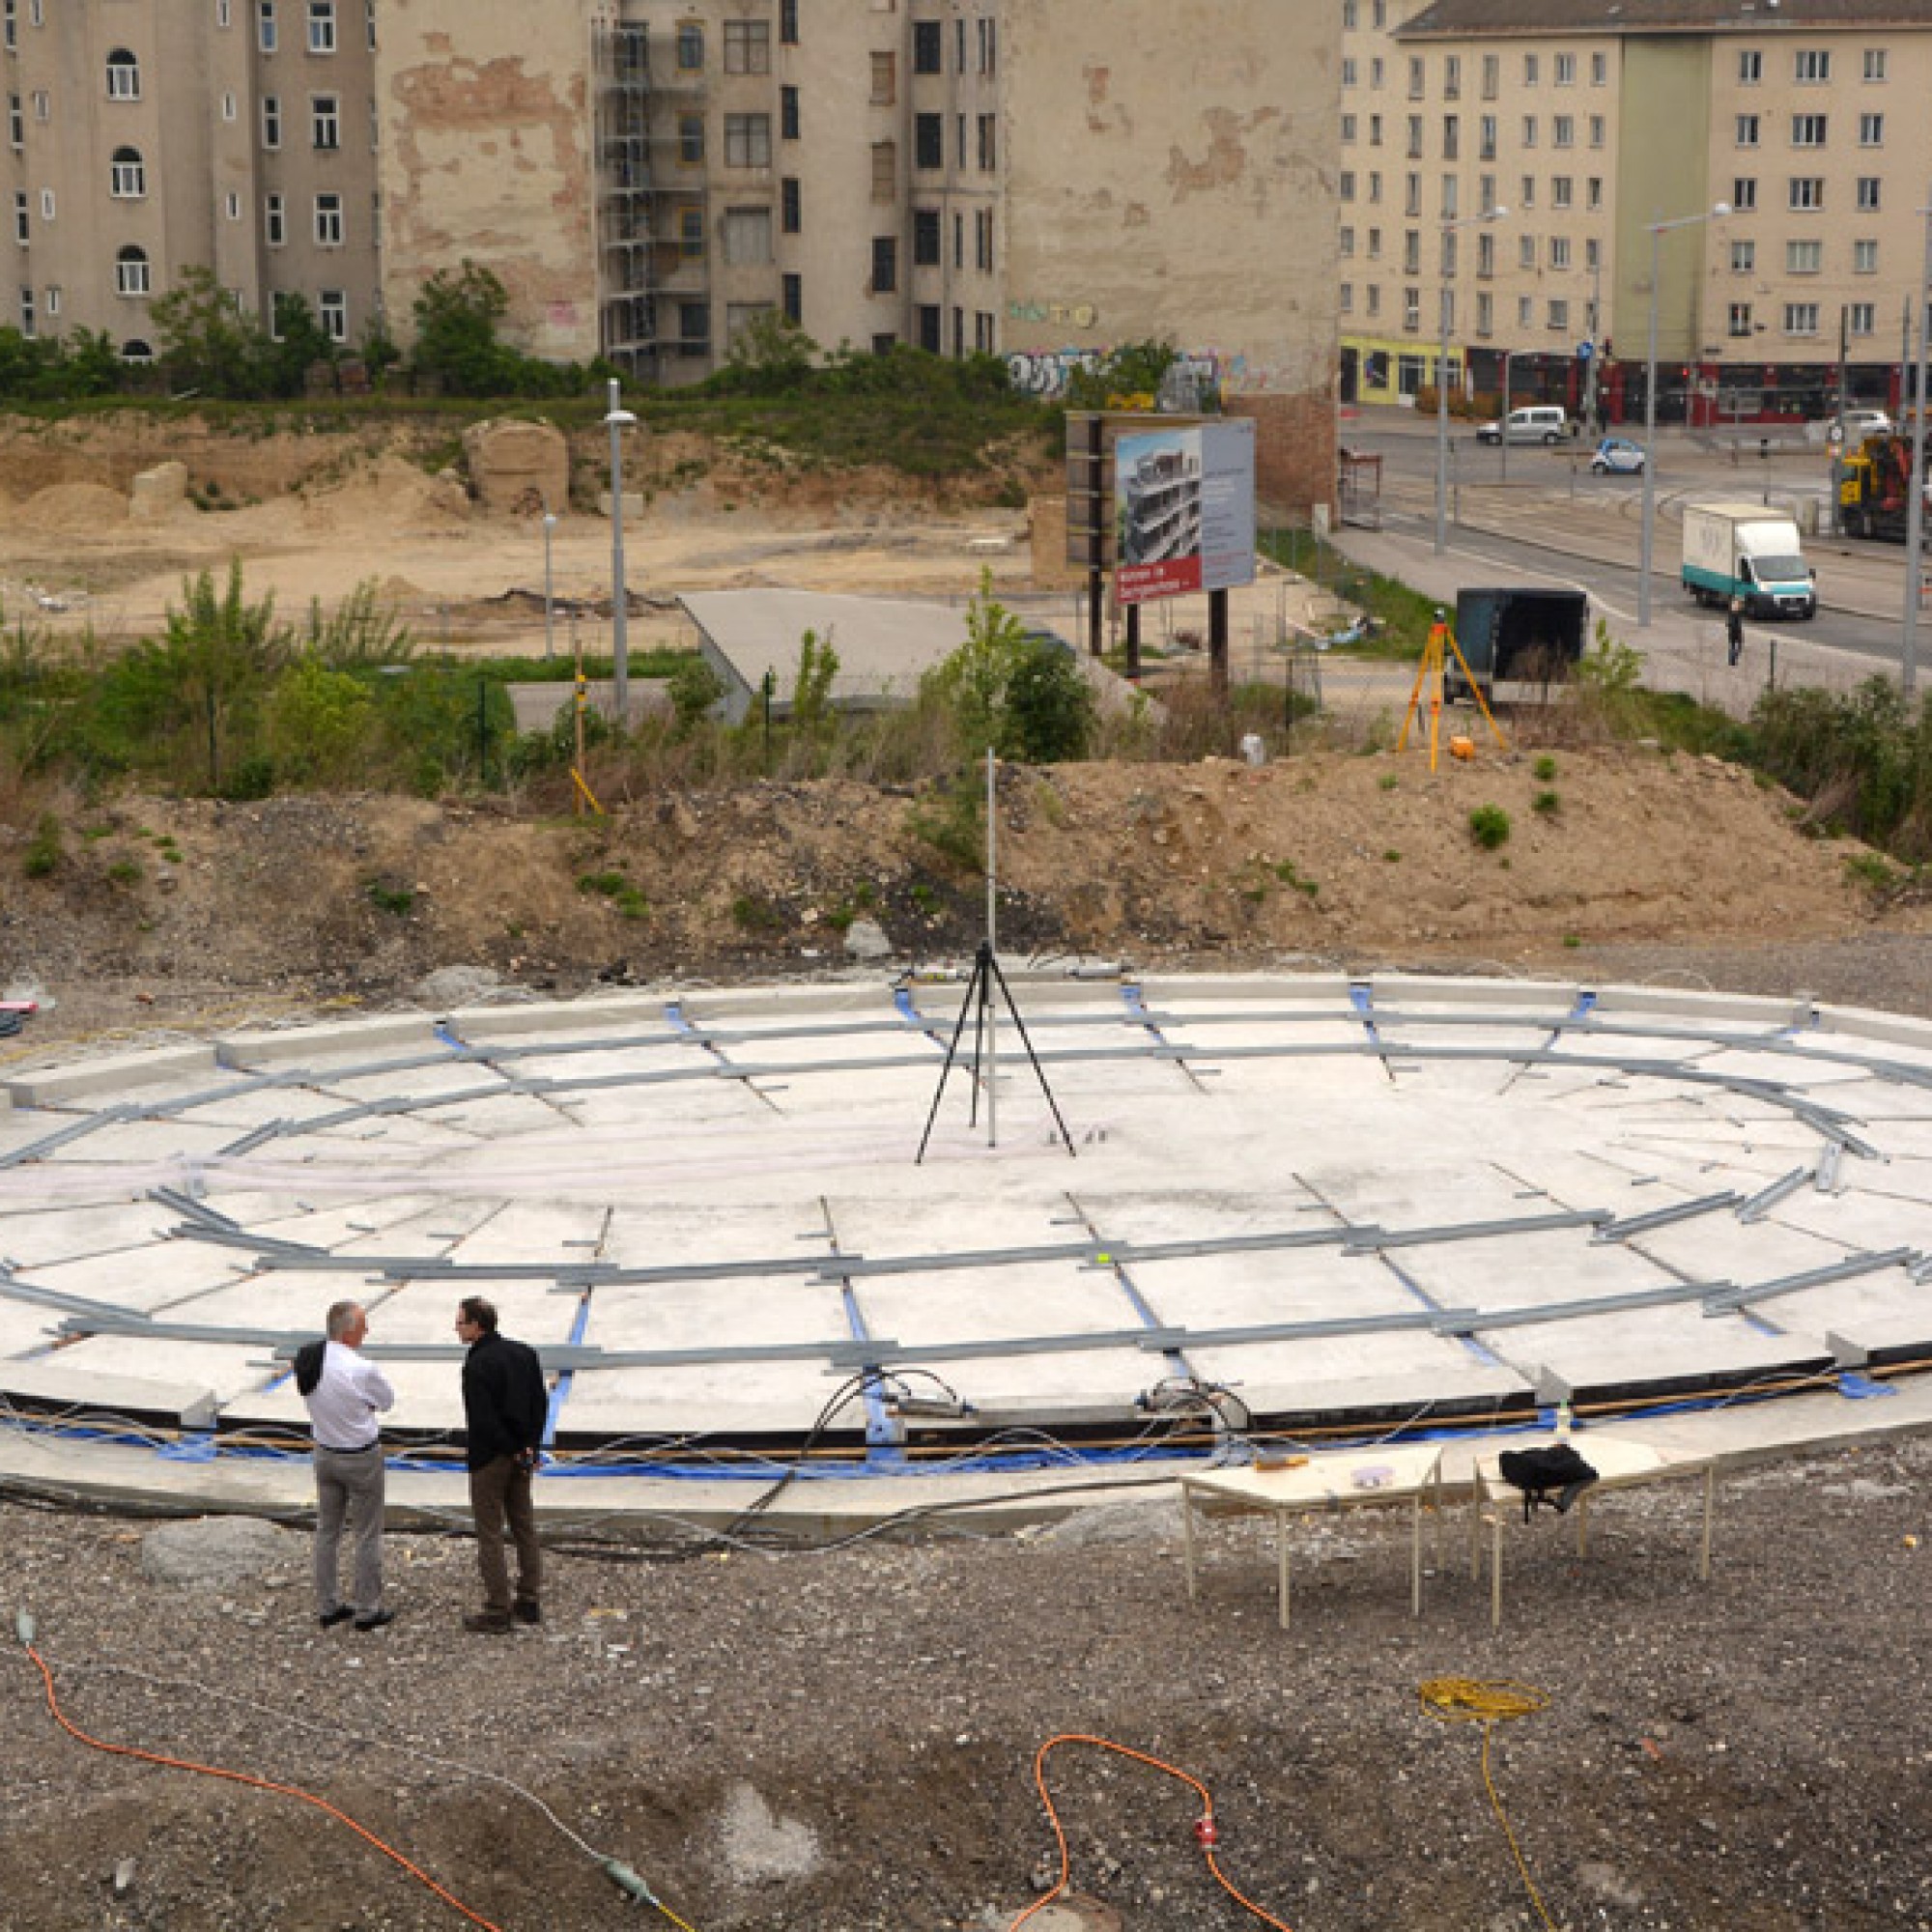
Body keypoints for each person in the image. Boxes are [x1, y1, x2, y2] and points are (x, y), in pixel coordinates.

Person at [295, 1300, 396, 1633]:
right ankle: (367, 1608)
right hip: (360, 1457)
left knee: (327, 1531)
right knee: (367, 1534)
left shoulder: (308, 1359)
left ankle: (328, 1604)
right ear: (350, 1330)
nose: (366, 1333)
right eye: (363, 1327)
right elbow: (386, 1401)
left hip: (325, 1453)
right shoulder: (361, 1369)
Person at [454, 1295, 549, 1634]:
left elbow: (483, 1420)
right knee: (524, 1525)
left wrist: (509, 1449)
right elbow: (540, 1403)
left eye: (461, 1322)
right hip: (521, 1454)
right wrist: (529, 1449)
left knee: (490, 1532)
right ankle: (529, 1599)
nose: (456, 1327)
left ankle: (498, 1608)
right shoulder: (525, 1353)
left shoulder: (477, 1364)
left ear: (477, 1325)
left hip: (490, 1457)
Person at [1726, 597, 1745, 667]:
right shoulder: (1734, 615)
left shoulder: (1734, 614)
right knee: (1737, 648)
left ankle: (1732, 660)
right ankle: (1732, 659)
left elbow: (1730, 623)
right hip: (1735, 633)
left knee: (1734, 647)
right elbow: (1735, 624)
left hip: (1733, 633)